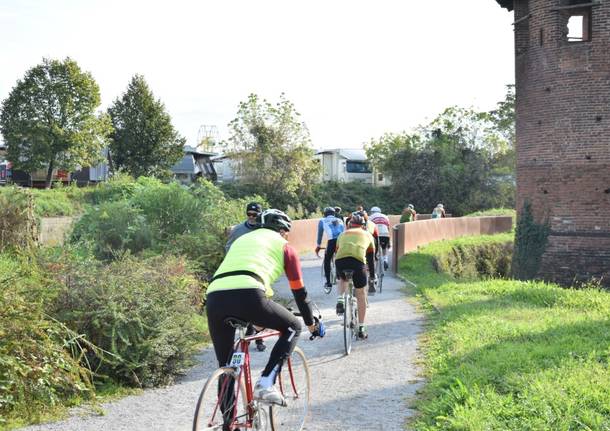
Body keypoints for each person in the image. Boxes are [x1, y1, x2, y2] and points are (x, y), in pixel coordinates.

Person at [206, 209, 325, 407]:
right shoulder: (285, 247)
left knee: (226, 366)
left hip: (215, 296)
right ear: (283, 231)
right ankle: (267, 383)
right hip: (250, 293)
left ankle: (229, 424)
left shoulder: (241, 241)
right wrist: (310, 323)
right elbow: (299, 293)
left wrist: (259, 318)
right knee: (292, 326)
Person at [224, 201, 267, 352]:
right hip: (241, 270)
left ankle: (258, 339)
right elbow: (228, 247)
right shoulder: (238, 229)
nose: (251, 217)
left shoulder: (264, 228)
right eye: (248, 214)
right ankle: (248, 335)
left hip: (259, 271)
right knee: (246, 304)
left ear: (260, 215)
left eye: (254, 215)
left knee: (260, 305)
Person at [334, 212, 376, 340]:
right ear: (363, 226)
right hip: (358, 263)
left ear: (350, 225)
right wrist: (372, 276)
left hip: (340, 261)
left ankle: (340, 298)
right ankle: (362, 328)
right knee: (361, 294)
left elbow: (337, 251)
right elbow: (370, 258)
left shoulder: (342, 234)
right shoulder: (368, 235)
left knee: (342, 279)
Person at [315, 207, 345, 291]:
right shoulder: (340, 220)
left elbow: (320, 235)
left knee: (327, 260)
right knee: (341, 258)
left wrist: (318, 245)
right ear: (334, 214)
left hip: (332, 241)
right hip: (342, 240)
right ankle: (341, 276)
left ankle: (328, 283)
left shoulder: (322, 221)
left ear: (325, 214)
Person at [369, 206, 391, 271]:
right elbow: (388, 228)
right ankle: (385, 260)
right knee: (384, 248)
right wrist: (389, 241)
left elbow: (369, 229)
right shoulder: (385, 216)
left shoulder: (370, 217)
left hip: (376, 235)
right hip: (385, 234)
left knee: (373, 250)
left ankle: (374, 269)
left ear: (372, 212)